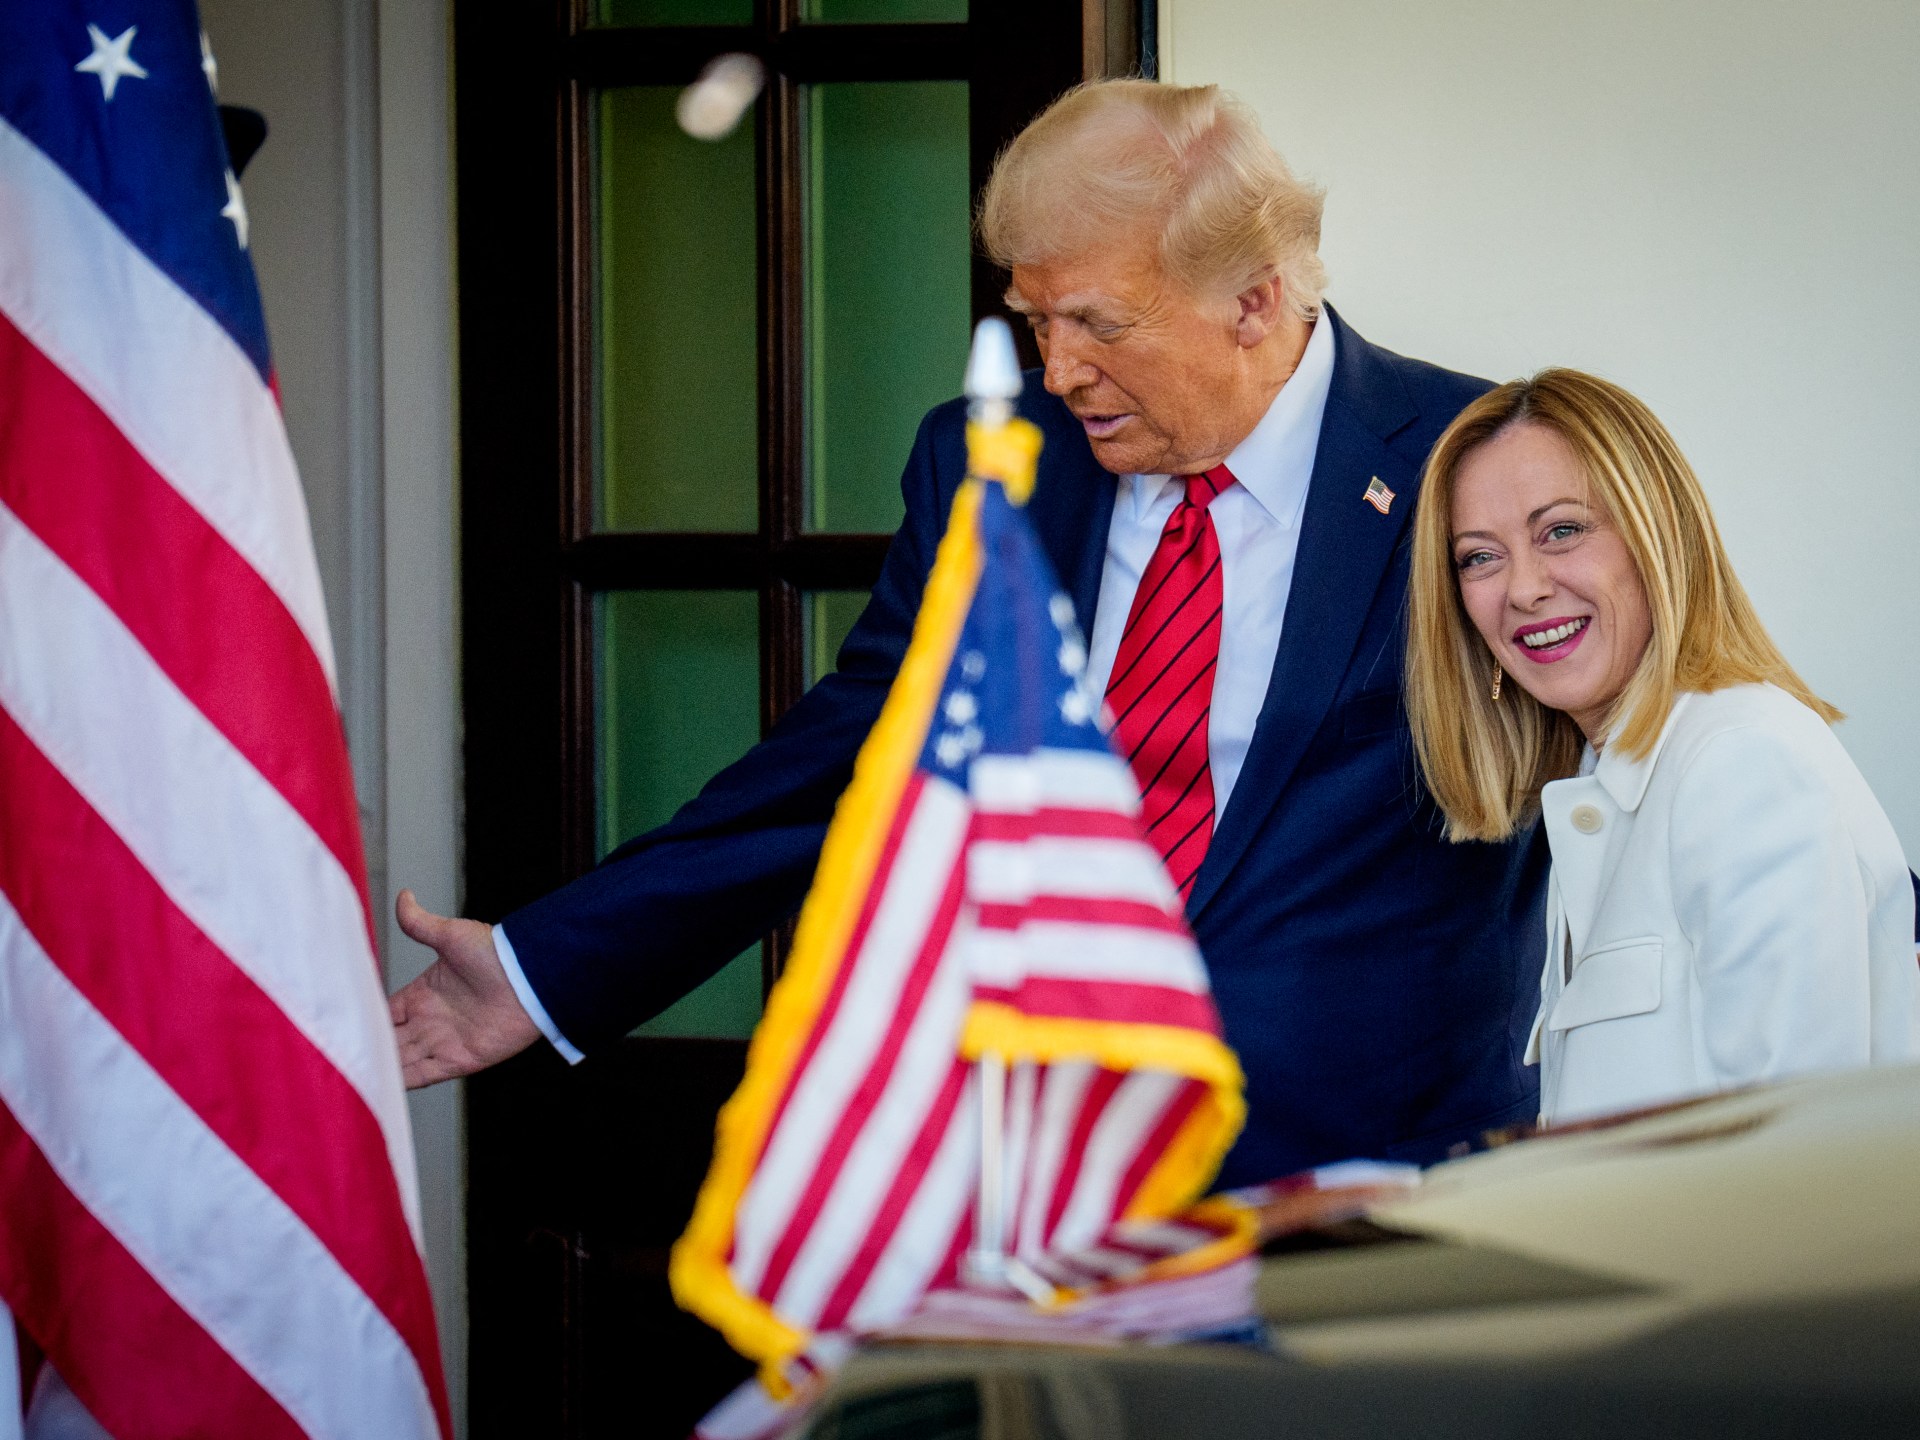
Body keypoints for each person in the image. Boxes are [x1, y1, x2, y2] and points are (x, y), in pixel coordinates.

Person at [390, 79, 1548, 1184]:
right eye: (1036, 320)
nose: (1060, 370)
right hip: (1038, 1170)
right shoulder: (991, 459)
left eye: (1097, 324)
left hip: (1372, 1179)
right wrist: (547, 969)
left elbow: (1624, 732)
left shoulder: (1475, 458)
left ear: (1252, 299)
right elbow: (847, 763)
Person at [1405, 369, 1920, 1125]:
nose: (1524, 588)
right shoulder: (1603, 785)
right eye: (1480, 556)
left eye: (1562, 531)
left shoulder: (1739, 761)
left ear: (1658, 535)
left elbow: (1798, 1153)